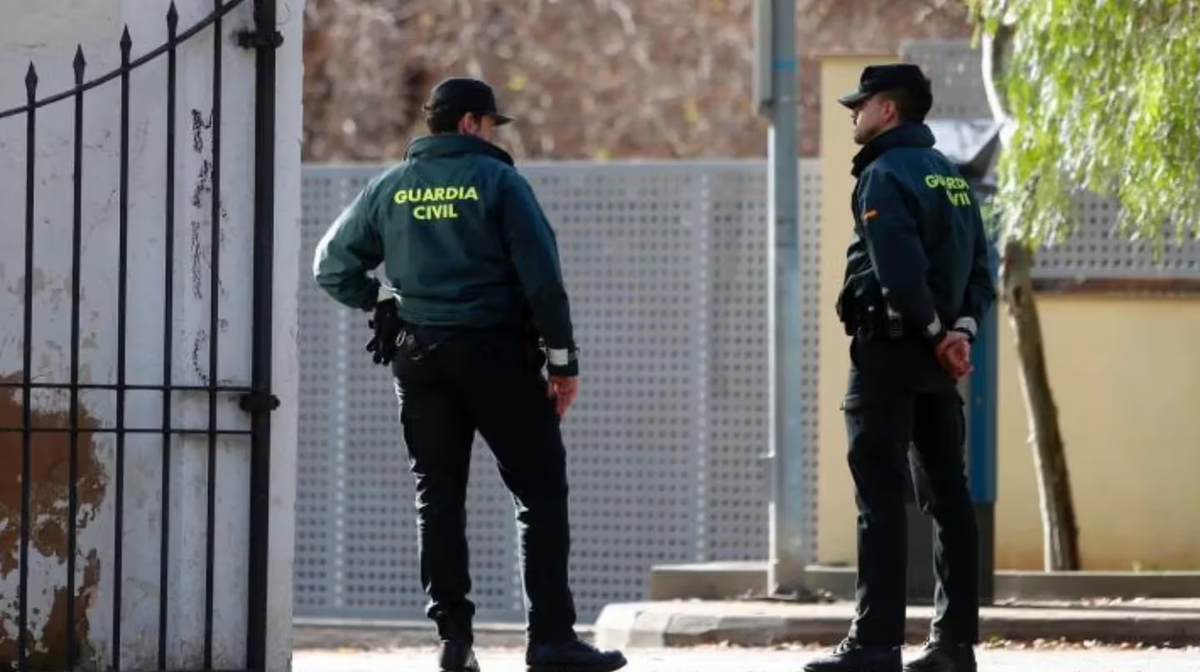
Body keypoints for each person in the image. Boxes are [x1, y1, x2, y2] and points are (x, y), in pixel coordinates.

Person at [312, 76, 627, 672]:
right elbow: (542, 280)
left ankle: (454, 642)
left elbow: (330, 266)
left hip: (421, 358)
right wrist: (562, 362)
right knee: (537, 495)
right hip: (496, 357)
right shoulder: (500, 183)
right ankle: (551, 639)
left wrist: (380, 302)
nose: (491, 133)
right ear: (469, 123)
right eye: (489, 123)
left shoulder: (390, 186)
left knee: (439, 497)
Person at [804, 64, 995, 672]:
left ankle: (876, 643)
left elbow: (899, 268)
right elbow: (979, 270)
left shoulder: (884, 173)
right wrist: (960, 333)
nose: (852, 115)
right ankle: (954, 644)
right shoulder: (952, 177)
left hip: (890, 354)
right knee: (949, 499)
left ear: (887, 109)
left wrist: (937, 334)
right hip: (938, 362)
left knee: (880, 498)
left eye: (858, 105)